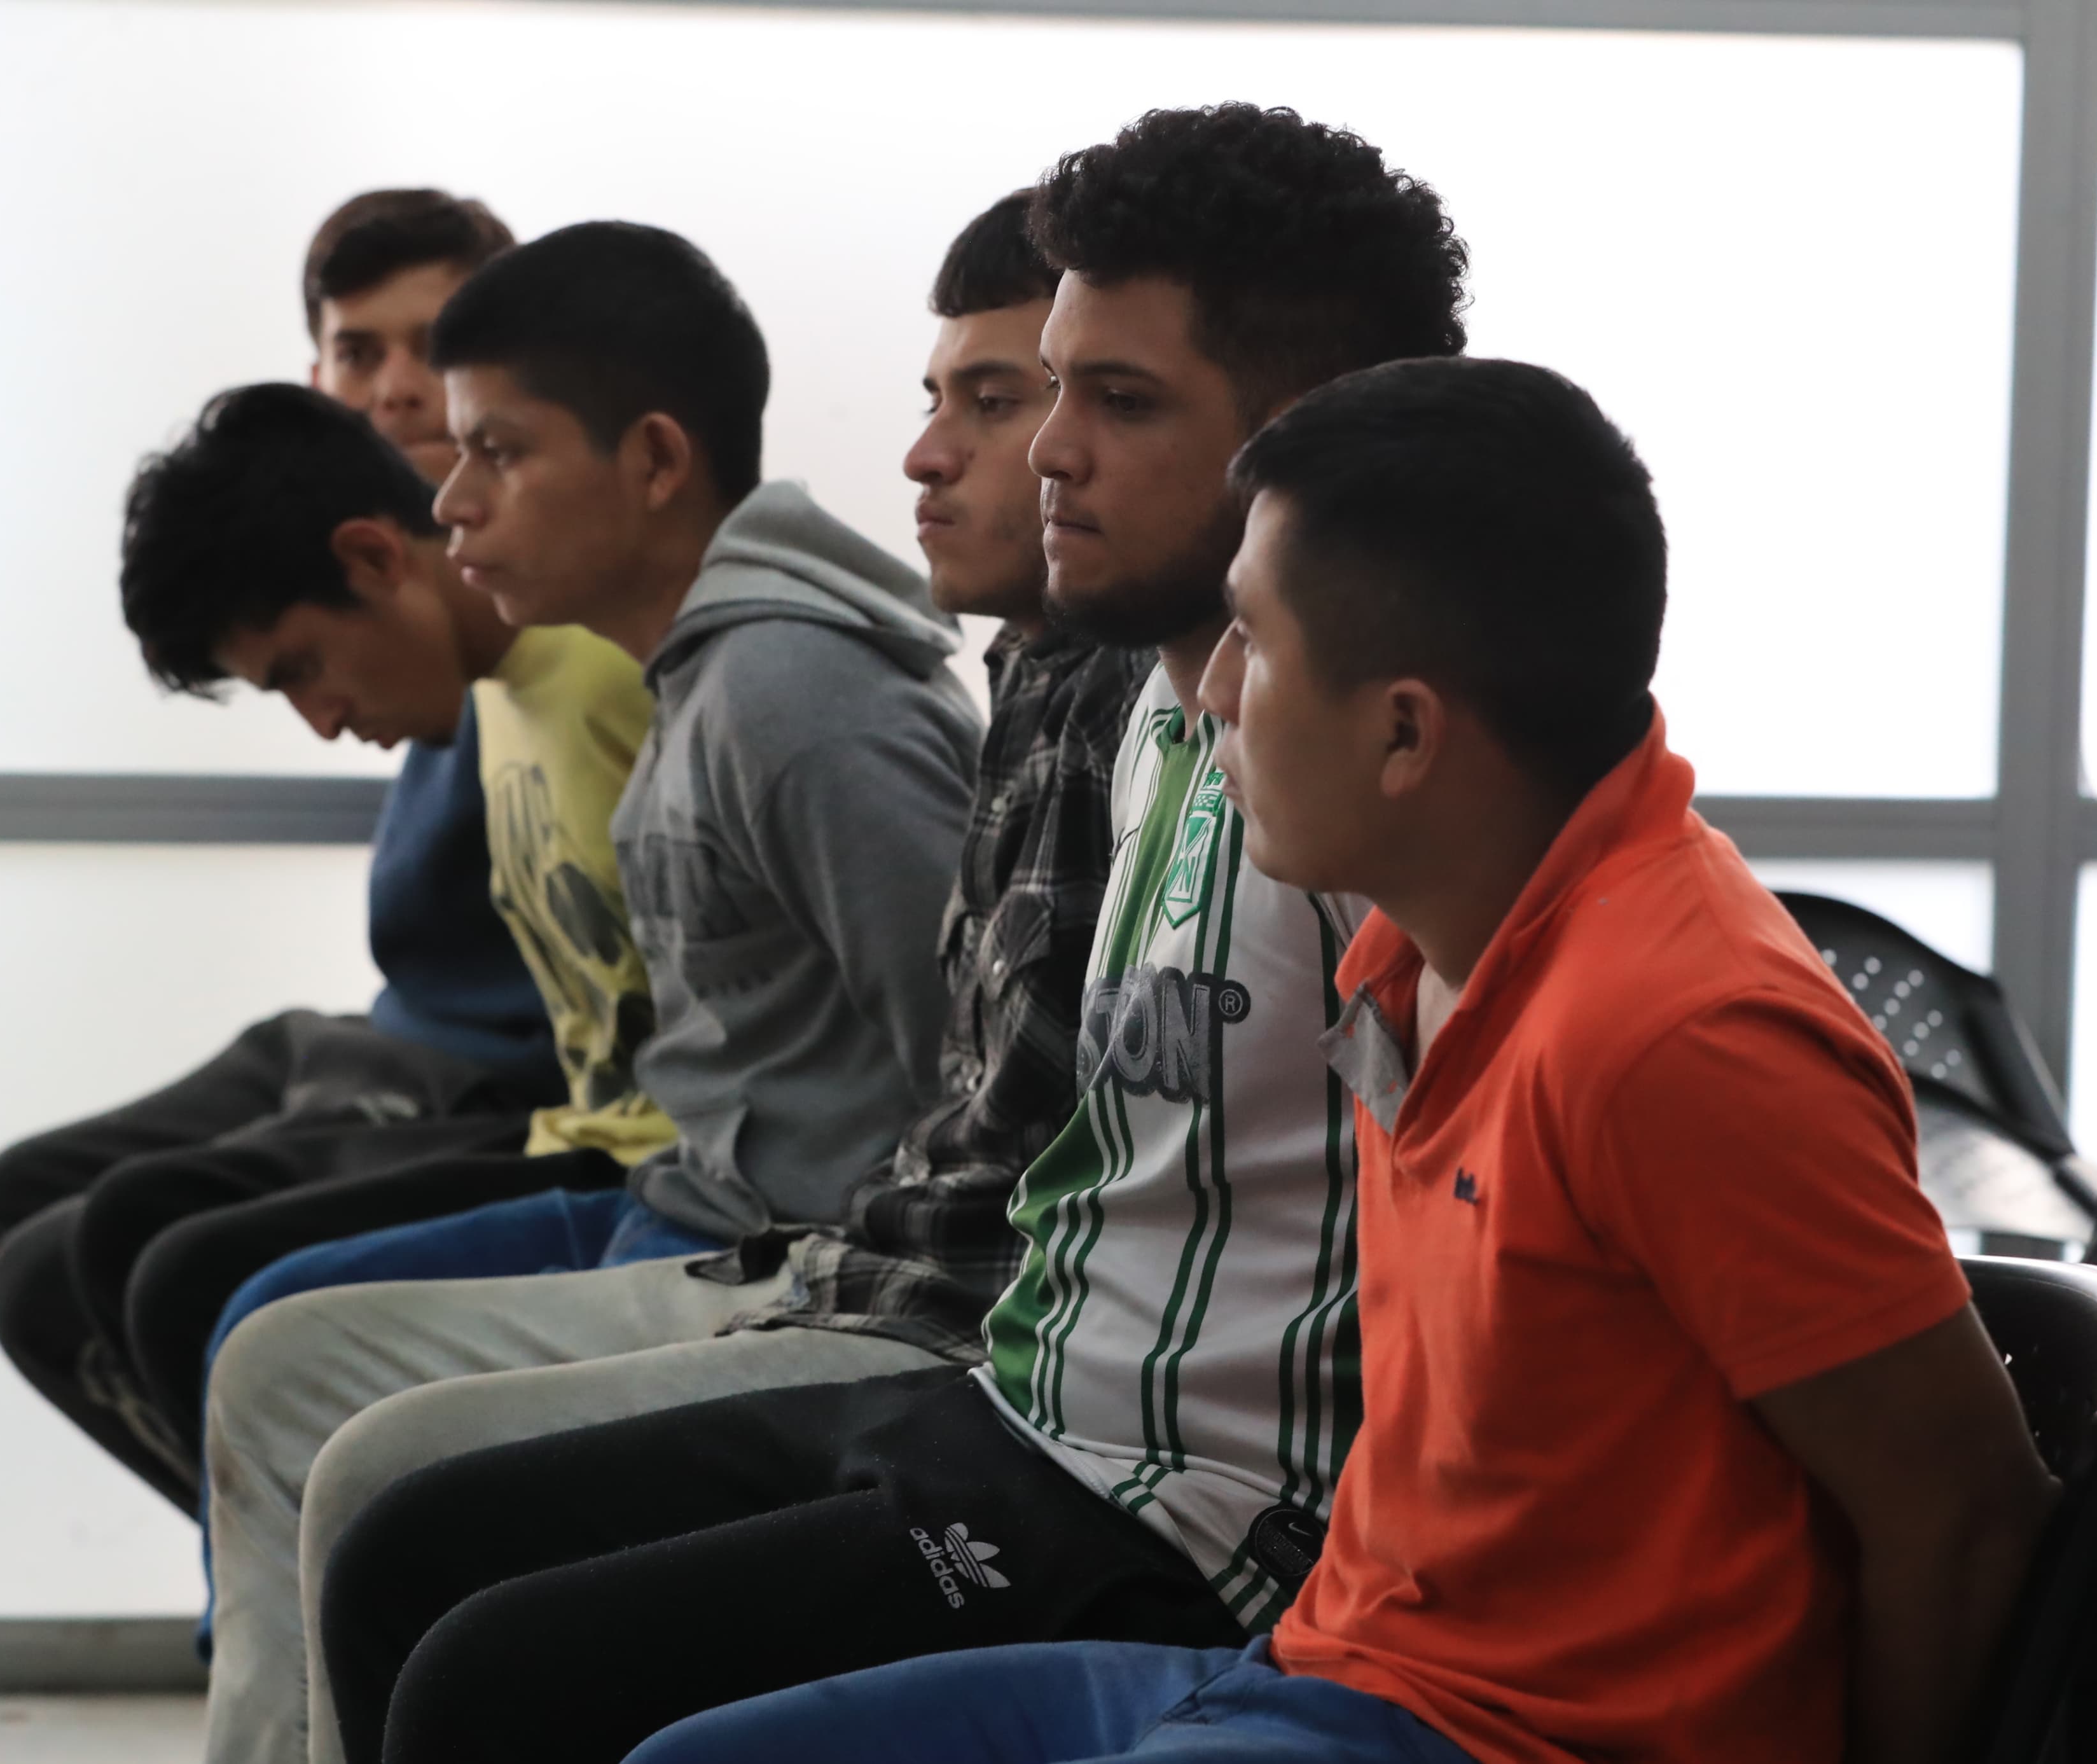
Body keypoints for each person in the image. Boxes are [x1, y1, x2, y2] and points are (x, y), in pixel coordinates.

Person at [626, 358, 2063, 1764]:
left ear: (1401, 732)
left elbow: (1964, 1506)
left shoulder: (1679, 1034)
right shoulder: (1416, 946)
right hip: (1322, 1663)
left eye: (1252, 642)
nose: (1209, 698)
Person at [303, 104, 1471, 1764]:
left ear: (1301, 437)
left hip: (1189, 1519)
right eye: (1031, 389)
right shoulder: (1143, 700)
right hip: (1020, 1401)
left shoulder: (1393, 787)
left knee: (503, 1672)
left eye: (1109, 400)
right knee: (412, 1550)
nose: (1034, 451)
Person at [197, 216, 984, 1764]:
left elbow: (971, 1085)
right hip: (695, 1217)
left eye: (497, 449)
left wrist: (827, 1289)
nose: (449, 498)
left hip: (794, 1266)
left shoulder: (795, 697)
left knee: (325, 1418)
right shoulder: (699, 671)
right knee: (277, 1349)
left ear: (653, 459)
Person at [0, 189, 551, 1507]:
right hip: (388, 1026)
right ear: (317, 376)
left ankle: (304, 1570)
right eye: (360, 353)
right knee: (29, 1199)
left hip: (499, 1076)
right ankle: (281, 1549)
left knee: (130, 1243)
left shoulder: (541, 613)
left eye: (437, 349)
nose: (399, 390)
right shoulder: (364, 568)